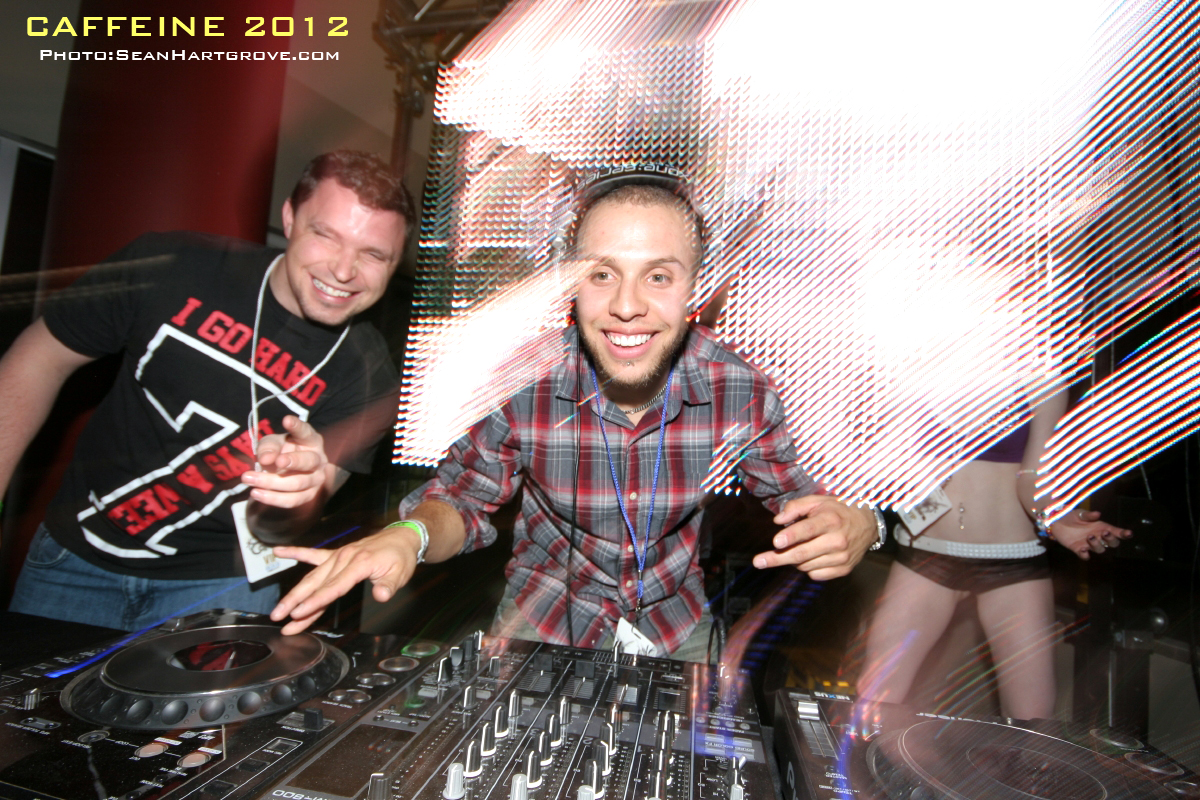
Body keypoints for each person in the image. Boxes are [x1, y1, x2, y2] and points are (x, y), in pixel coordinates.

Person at [271, 168, 883, 660]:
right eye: (602, 274)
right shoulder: (523, 380)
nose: (627, 306)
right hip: (538, 621)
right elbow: (460, 498)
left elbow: (811, 498)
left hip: (677, 629)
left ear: (695, 288)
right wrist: (411, 535)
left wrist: (862, 522)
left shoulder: (738, 389)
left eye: (659, 276)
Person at [0, 150, 414, 631]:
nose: (343, 270)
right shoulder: (176, 266)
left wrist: (299, 489)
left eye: (373, 254)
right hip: (72, 562)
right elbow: (38, 360)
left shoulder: (371, 376)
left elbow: (296, 515)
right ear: (289, 218)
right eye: (325, 234)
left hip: (222, 587)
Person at [857, 388, 1132, 719]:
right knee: (873, 702)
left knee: (1032, 720)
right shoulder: (914, 366)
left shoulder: (1041, 372)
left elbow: (1033, 478)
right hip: (926, 556)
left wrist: (1055, 518)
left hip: (1013, 563)